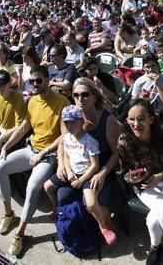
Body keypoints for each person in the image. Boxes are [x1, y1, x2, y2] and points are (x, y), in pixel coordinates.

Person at [0, 65, 70, 256]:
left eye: (38, 80)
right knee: (0, 166)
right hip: (31, 149)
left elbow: (64, 136)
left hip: (49, 155)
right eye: (32, 81)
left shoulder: (62, 102)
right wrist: (5, 145)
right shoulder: (32, 101)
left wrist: (43, 153)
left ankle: (20, 234)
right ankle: (9, 214)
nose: (34, 84)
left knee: (32, 186)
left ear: (47, 80)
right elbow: (23, 128)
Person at [118, 99, 163, 265]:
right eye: (131, 119)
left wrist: (161, 176)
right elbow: (124, 172)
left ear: (151, 119)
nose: (136, 124)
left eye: (141, 119)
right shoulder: (124, 141)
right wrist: (132, 177)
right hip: (144, 186)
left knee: (153, 218)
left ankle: (156, 247)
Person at [56, 78, 121, 234]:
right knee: (61, 194)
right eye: (76, 95)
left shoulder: (107, 120)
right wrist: (61, 164)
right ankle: (83, 223)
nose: (80, 99)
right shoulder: (70, 115)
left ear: (94, 97)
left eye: (85, 94)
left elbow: (117, 152)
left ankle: (108, 227)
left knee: (93, 200)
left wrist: (103, 173)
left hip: (101, 166)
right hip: (76, 166)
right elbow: (62, 143)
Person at [43, 105, 116, 245]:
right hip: (72, 173)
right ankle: (55, 208)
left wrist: (82, 180)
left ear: (81, 121)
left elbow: (95, 164)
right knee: (47, 187)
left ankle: (103, 227)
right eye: (66, 123)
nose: (69, 126)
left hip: (87, 175)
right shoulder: (66, 138)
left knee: (91, 202)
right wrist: (69, 172)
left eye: (73, 122)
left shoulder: (89, 141)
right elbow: (66, 157)